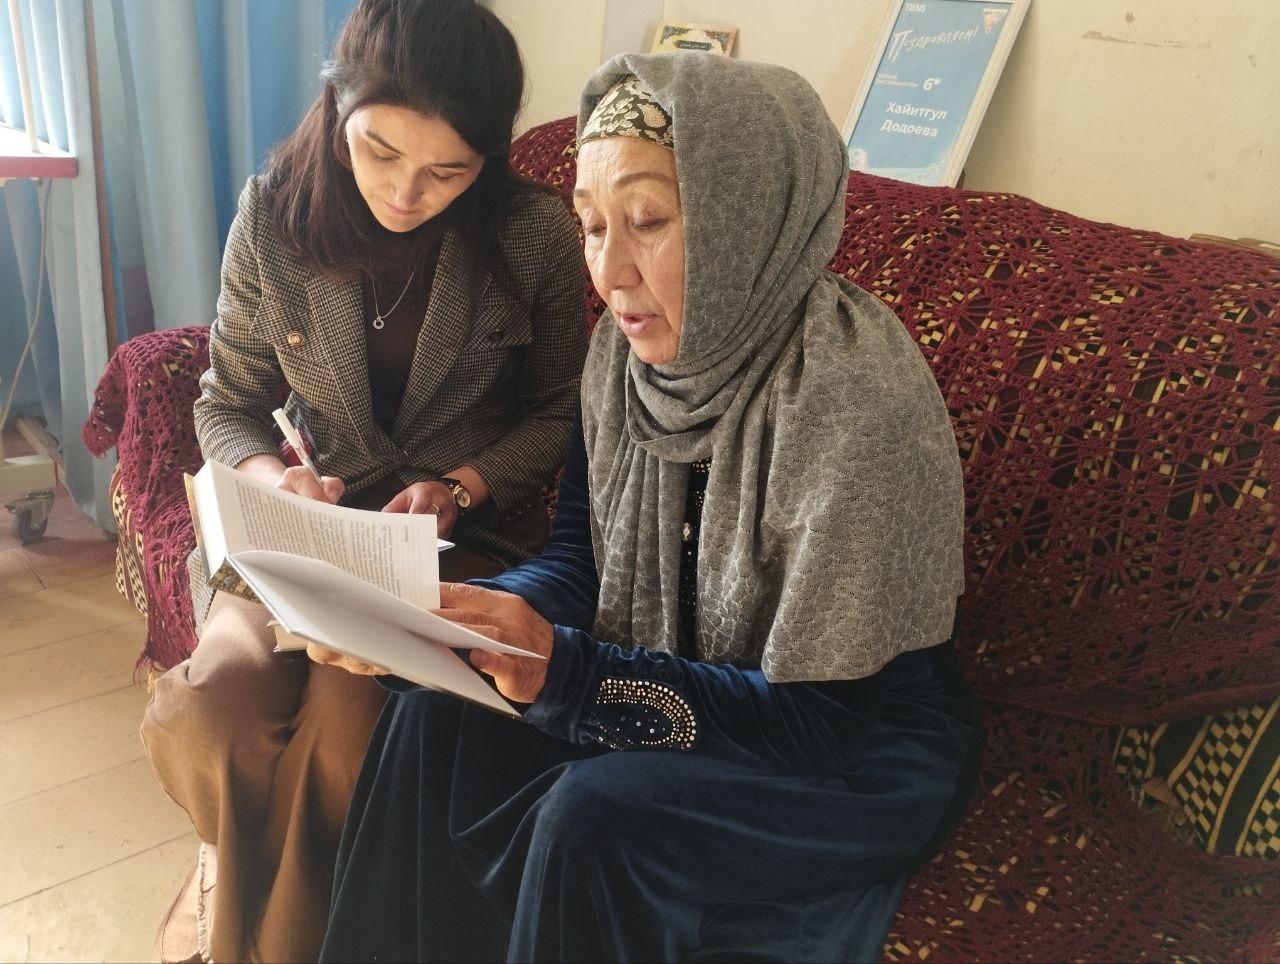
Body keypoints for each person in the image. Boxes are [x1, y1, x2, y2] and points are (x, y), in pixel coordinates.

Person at [316, 53, 982, 963]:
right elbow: (583, 562)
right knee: (431, 715)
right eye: (592, 226)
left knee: (594, 816)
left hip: (851, 751)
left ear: (746, 215)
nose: (611, 273)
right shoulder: (624, 362)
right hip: (690, 670)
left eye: (650, 221)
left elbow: (819, 722)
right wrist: (444, 624)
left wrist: (572, 676)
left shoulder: (853, 402)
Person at [140, 1, 586, 961]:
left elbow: (563, 412)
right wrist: (272, 477)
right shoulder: (275, 216)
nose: (405, 191)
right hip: (304, 534)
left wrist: (462, 485)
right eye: (379, 150)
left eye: (447, 171)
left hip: (456, 544)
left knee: (349, 736)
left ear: (488, 157)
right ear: (337, 104)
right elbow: (228, 401)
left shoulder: (533, 234)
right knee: (208, 708)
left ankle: (244, 936)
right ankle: (235, 875)